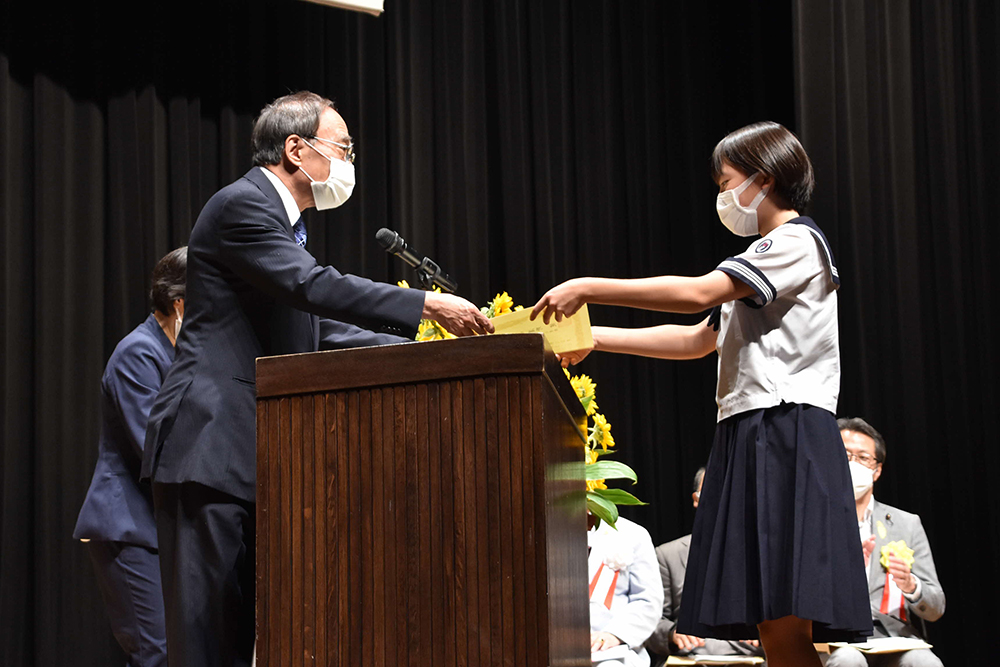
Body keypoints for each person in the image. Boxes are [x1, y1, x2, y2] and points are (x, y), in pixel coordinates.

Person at [140, 91, 492, 667]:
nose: (350, 161)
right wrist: (427, 305)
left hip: (249, 456)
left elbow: (312, 325)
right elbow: (314, 287)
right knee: (206, 643)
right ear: (296, 149)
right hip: (207, 445)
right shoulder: (243, 205)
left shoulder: (283, 228)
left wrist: (429, 351)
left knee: (247, 638)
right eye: (344, 147)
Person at [532, 121, 872, 667]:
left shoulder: (793, 241)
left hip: (783, 430)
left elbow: (694, 294)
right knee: (772, 624)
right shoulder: (758, 261)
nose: (722, 196)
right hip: (753, 431)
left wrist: (588, 286)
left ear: (762, 179)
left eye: (726, 181)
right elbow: (698, 339)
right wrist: (595, 337)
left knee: (784, 621)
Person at [73, 246, 187, 667]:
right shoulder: (138, 353)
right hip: (129, 528)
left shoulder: (178, 352)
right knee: (155, 654)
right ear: (180, 303)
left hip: (162, 528)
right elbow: (155, 447)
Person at [827, 418, 945, 667]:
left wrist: (911, 584)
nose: (852, 464)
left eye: (862, 458)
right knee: (847, 660)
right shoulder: (810, 522)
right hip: (835, 638)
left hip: (892, 637)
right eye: (844, 455)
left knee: (925, 663)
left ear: (877, 470)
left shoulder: (905, 523)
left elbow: (935, 607)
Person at [646, 467, 765, 666]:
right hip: (691, 660)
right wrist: (671, 634)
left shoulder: (762, 554)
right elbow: (651, 619)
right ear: (696, 500)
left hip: (752, 659)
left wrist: (766, 632)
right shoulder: (668, 555)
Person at [589, 514, 663, 667]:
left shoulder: (631, 533)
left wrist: (614, 634)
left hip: (612, 654)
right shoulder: (541, 530)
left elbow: (648, 601)